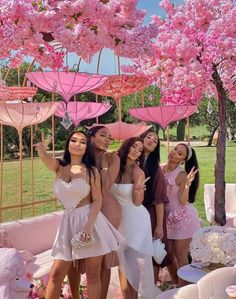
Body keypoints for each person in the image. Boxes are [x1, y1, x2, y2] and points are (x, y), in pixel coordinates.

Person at [34, 131, 122, 299]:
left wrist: (88, 226)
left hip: (90, 223)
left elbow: (97, 200)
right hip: (67, 224)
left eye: (82, 142)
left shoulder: (91, 171)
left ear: (86, 147)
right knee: (56, 275)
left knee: (93, 276)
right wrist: (42, 150)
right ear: (68, 144)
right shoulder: (59, 167)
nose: (77, 144)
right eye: (73, 140)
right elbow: (47, 161)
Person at [68, 125, 122, 299]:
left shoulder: (113, 159)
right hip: (82, 210)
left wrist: (105, 165)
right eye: (103, 135)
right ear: (91, 138)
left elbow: (105, 189)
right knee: (74, 257)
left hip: (107, 209)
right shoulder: (82, 156)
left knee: (102, 261)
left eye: (109, 137)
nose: (107, 140)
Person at [111, 137, 160, 299]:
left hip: (135, 221)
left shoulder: (138, 172)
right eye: (134, 146)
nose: (136, 151)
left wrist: (138, 190)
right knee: (120, 263)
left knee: (131, 264)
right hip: (117, 220)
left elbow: (138, 203)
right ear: (126, 146)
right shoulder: (113, 165)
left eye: (140, 150)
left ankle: (135, 296)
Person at [161, 143, 201, 286]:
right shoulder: (160, 168)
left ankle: (184, 291)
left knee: (180, 256)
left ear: (182, 161)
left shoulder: (181, 174)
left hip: (182, 218)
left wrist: (186, 185)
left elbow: (183, 201)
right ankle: (178, 284)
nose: (174, 152)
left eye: (179, 153)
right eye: (175, 149)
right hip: (166, 218)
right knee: (168, 255)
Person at [140, 129, 171, 283]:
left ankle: (150, 287)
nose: (151, 140)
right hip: (132, 213)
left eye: (155, 140)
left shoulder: (155, 169)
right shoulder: (130, 161)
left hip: (151, 214)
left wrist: (159, 225)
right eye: (148, 137)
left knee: (151, 252)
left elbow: (159, 200)